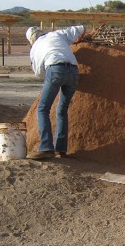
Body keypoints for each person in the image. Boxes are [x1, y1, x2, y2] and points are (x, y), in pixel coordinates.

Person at [26, 25, 86, 160]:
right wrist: (80, 39)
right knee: (62, 110)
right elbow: (81, 28)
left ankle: (46, 147)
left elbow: (39, 73)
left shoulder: (34, 49)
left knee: (42, 108)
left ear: (31, 40)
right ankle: (61, 150)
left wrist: (50, 77)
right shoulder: (56, 34)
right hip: (74, 72)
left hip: (55, 70)